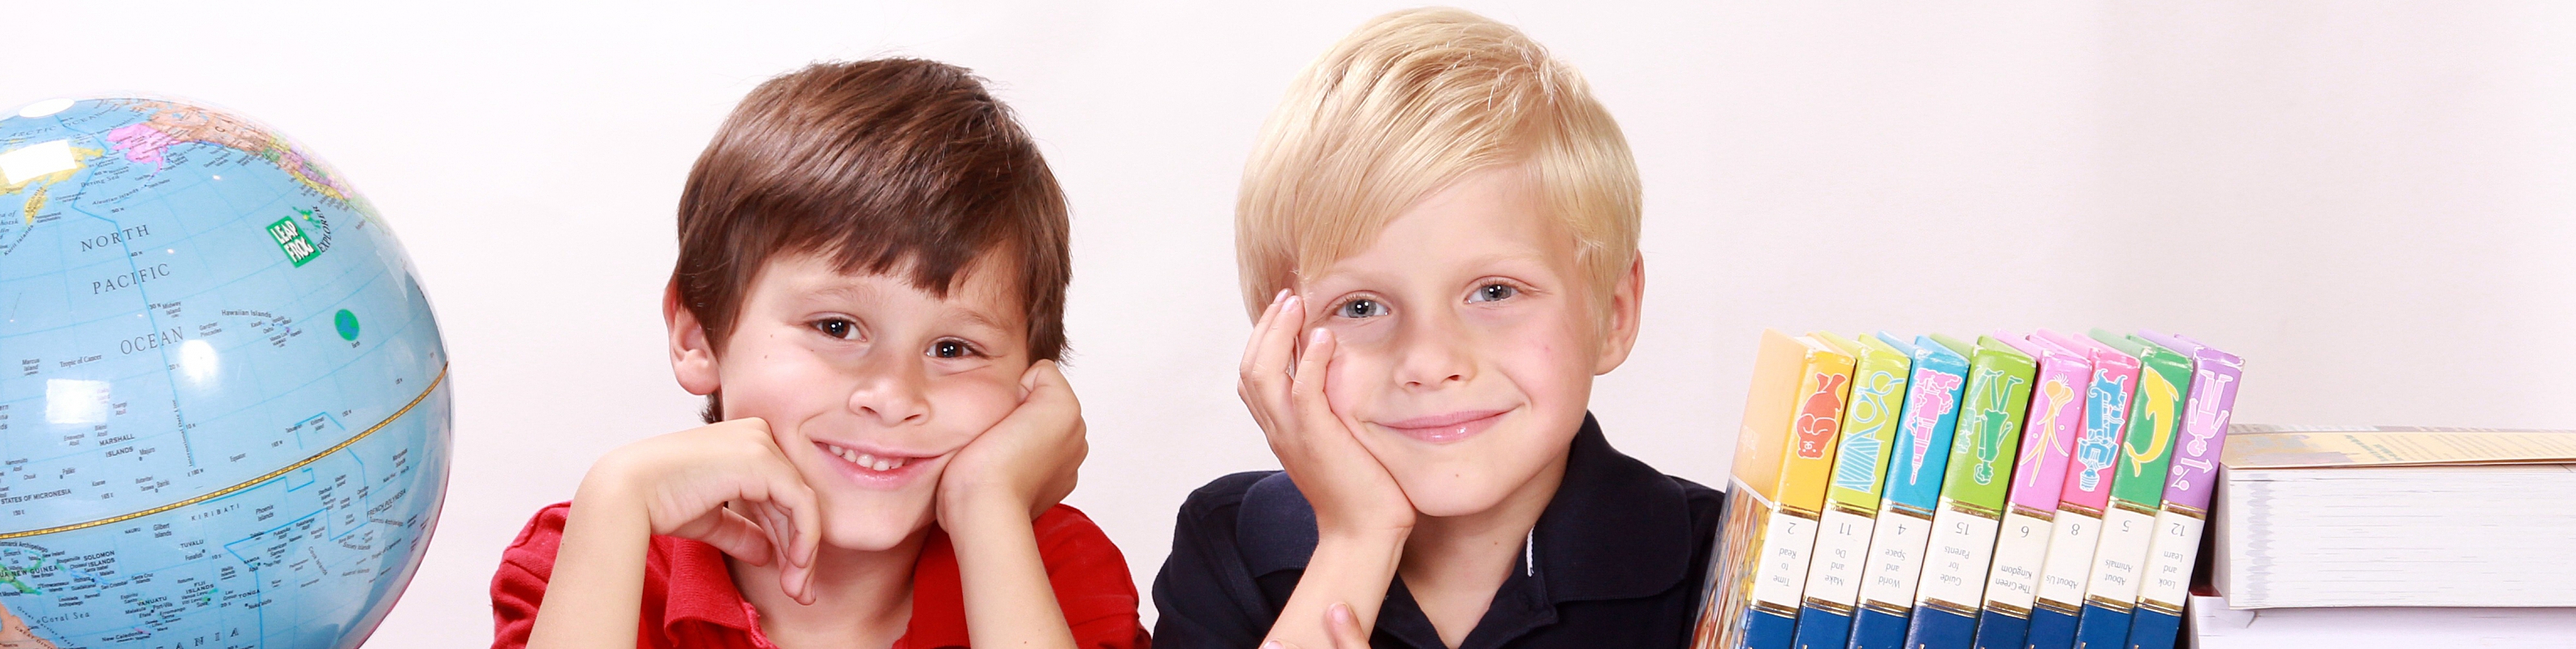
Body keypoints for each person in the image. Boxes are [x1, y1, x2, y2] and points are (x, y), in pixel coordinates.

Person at [490, 58, 1146, 649]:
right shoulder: (598, 547)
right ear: (697, 336)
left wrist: (989, 507)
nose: (892, 397)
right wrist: (617, 498)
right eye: (836, 327)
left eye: (953, 347)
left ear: (1031, 383)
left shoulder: (1049, 569)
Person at [1152, 8, 1723, 649]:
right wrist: (1355, 539)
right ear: (1280, 342)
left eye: (1495, 291)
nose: (1428, 361)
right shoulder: (1231, 544)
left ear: (1613, 313)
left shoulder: (1726, 567)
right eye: (1361, 307)